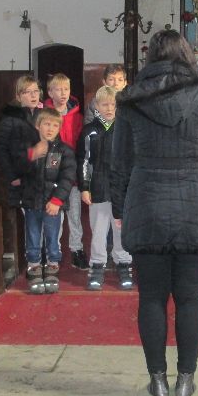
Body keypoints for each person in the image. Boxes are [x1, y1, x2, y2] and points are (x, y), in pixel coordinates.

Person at [110, 29, 198, 396]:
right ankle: (185, 382)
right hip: (193, 204)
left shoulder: (131, 100)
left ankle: (158, 382)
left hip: (147, 204)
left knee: (151, 298)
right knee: (189, 298)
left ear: (151, 57)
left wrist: (121, 210)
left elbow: (119, 162)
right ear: (186, 55)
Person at [77, 86, 132, 291]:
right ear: (96, 107)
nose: (109, 108)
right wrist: (84, 187)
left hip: (121, 191)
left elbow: (131, 162)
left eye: (113, 105)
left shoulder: (125, 130)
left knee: (121, 230)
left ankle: (123, 264)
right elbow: (83, 161)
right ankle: (97, 266)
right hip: (98, 189)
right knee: (99, 231)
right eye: (105, 104)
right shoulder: (89, 131)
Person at [18, 108, 76, 294]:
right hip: (32, 201)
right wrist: (31, 155)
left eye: (55, 125)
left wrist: (57, 200)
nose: (50, 129)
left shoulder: (64, 151)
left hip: (53, 204)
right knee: (32, 236)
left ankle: (52, 267)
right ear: (37, 126)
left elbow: (67, 178)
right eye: (46, 124)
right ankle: (34, 267)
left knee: (52, 236)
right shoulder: (29, 149)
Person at [44, 73, 85, 270]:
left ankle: (77, 249)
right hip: (53, 174)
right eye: (58, 89)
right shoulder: (44, 116)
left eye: (66, 89)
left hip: (73, 174)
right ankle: (54, 251)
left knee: (75, 215)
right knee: (55, 216)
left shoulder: (77, 117)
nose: (63, 93)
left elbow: (81, 146)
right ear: (50, 92)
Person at [0, 75, 42, 208]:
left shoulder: (44, 115)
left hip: (41, 178)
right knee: (25, 216)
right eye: (27, 92)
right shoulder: (10, 119)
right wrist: (12, 176)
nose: (33, 95)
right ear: (18, 96)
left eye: (36, 91)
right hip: (21, 178)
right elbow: (1, 150)